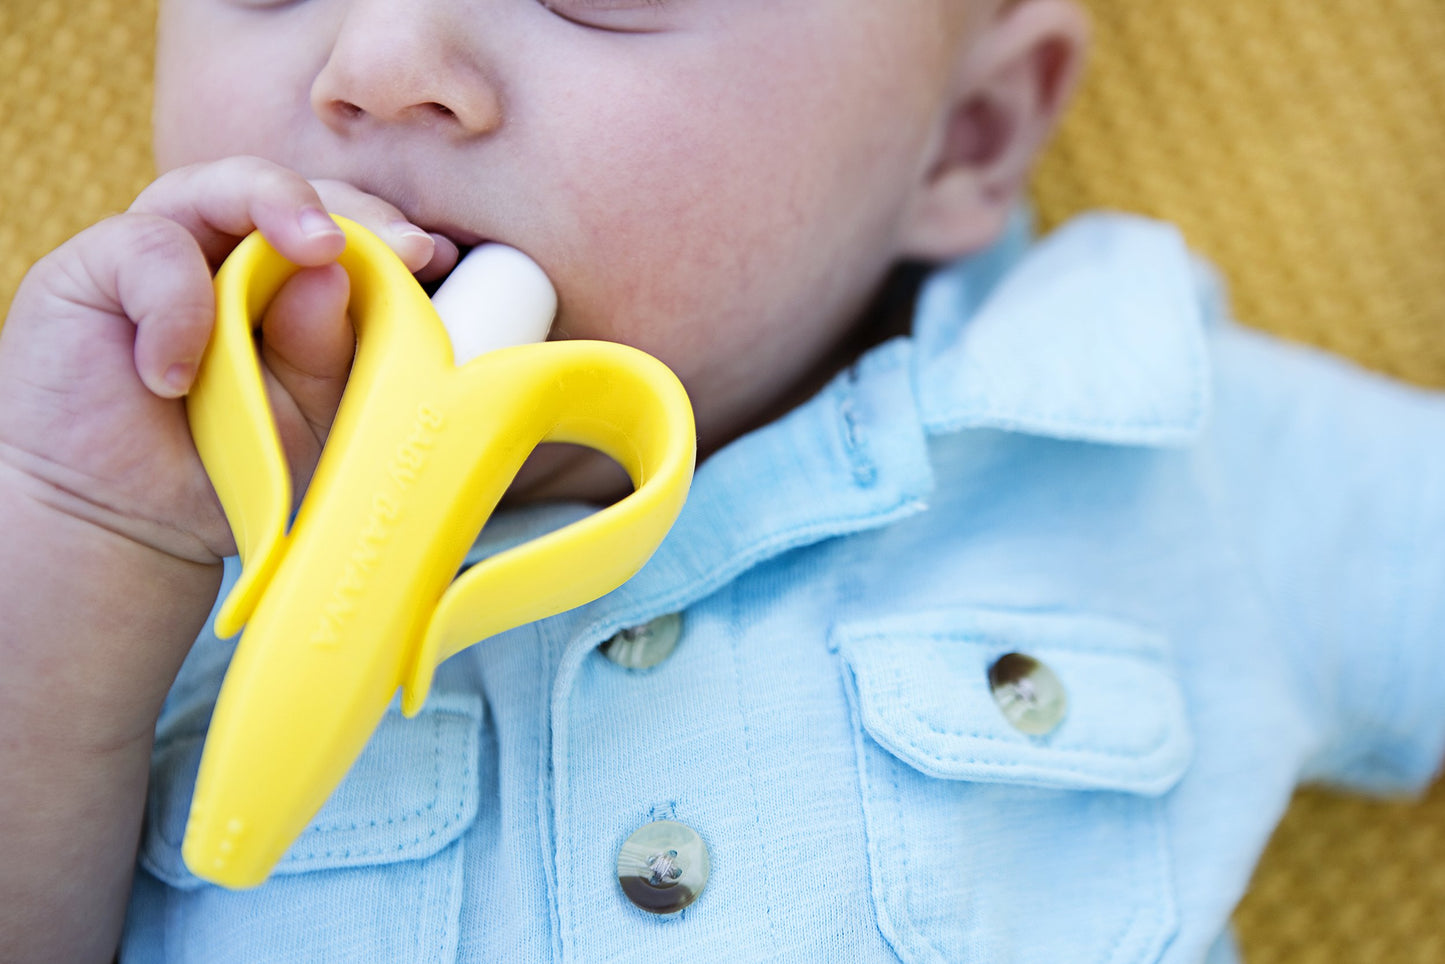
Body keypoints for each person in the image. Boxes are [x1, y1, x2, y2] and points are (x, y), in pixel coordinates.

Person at [1, 0, 1441, 960]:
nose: (375, 59)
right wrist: (76, 535)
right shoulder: (127, 526)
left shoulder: (1123, 427)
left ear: (966, 136)